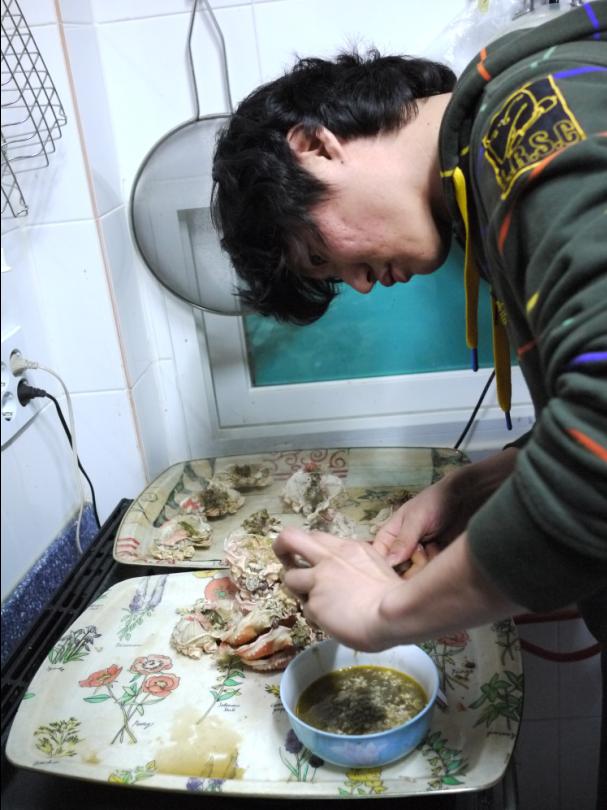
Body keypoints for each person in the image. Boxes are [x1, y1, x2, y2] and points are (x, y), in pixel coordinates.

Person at [211, 1, 607, 649]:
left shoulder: (532, 118)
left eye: (320, 254)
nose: (361, 284)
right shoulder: (490, 153)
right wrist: (479, 483)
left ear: (314, 147)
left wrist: (386, 614)